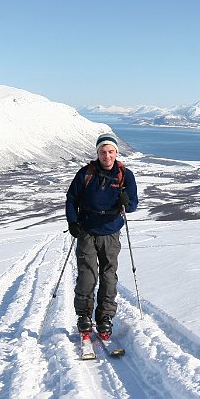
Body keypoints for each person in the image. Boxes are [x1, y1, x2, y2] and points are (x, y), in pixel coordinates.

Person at [65, 132, 139, 339]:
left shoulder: (126, 175)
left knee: (109, 277)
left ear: (116, 152)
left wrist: (126, 201)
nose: (107, 156)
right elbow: (71, 199)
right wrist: (72, 221)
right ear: (97, 153)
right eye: (103, 152)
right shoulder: (86, 173)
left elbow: (132, 205)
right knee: (87, 276)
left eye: (111, 151)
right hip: (87, 230)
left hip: (111, 231)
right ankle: (84, 316)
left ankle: (105, 318)